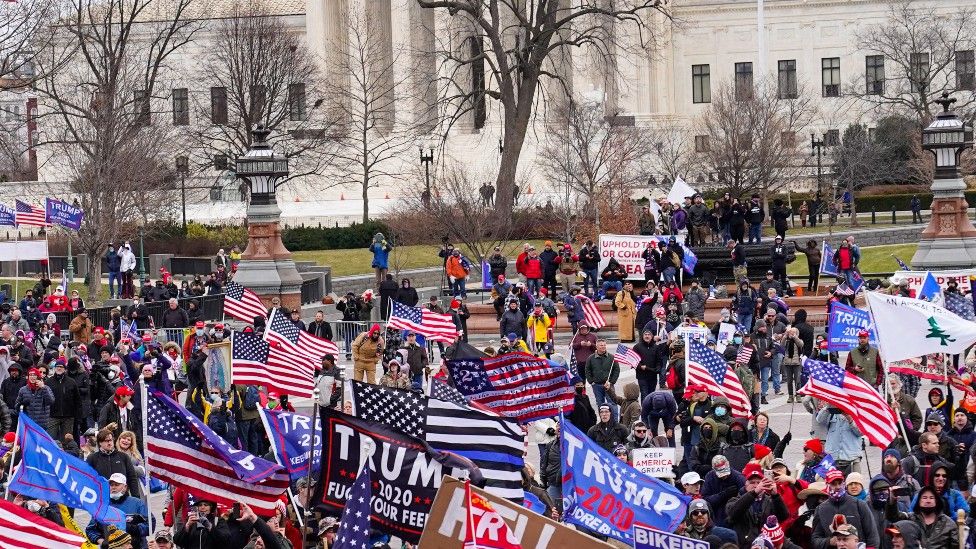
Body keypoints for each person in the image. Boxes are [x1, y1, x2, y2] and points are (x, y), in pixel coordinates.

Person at [811, 469, 879, 549]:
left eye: (840, 483)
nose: (838, 487)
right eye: (833, 484)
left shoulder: (859, 505)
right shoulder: (820, 509)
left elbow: (873, 537)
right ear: (827, 485)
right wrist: (829, 541)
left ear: (844, 483)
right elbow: (815, 540)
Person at [725, 463, 788, 547]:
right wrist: (754, 493)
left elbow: (783, 516)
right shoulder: (735, 500)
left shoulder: (769, 501)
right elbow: (732, 514)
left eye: (759, 482)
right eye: (752, 482)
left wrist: (775, 495)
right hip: (743, 545)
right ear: (746, 484)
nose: (756, 485)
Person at [887, 485, 957, 547]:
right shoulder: (910, 518)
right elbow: (893, 516)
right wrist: (892, 500)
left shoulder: (948, 523)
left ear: (936, 501)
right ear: (919, 501)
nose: (928, 500)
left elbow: (956, 545)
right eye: (924, 497)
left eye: (931, 498)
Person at [584, 340, 619, 423]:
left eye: (604, 345)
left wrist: (612, 382)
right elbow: (587, 370)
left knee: (612, 403)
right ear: (597, 347)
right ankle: (603, 421)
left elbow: (616, 370)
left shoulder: (611, 357)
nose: (603, 347)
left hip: (608, 385)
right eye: (601, 345)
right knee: (600, 404)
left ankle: (614, 422)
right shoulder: (591, 358)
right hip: (597, 385)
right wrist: (591, 381)